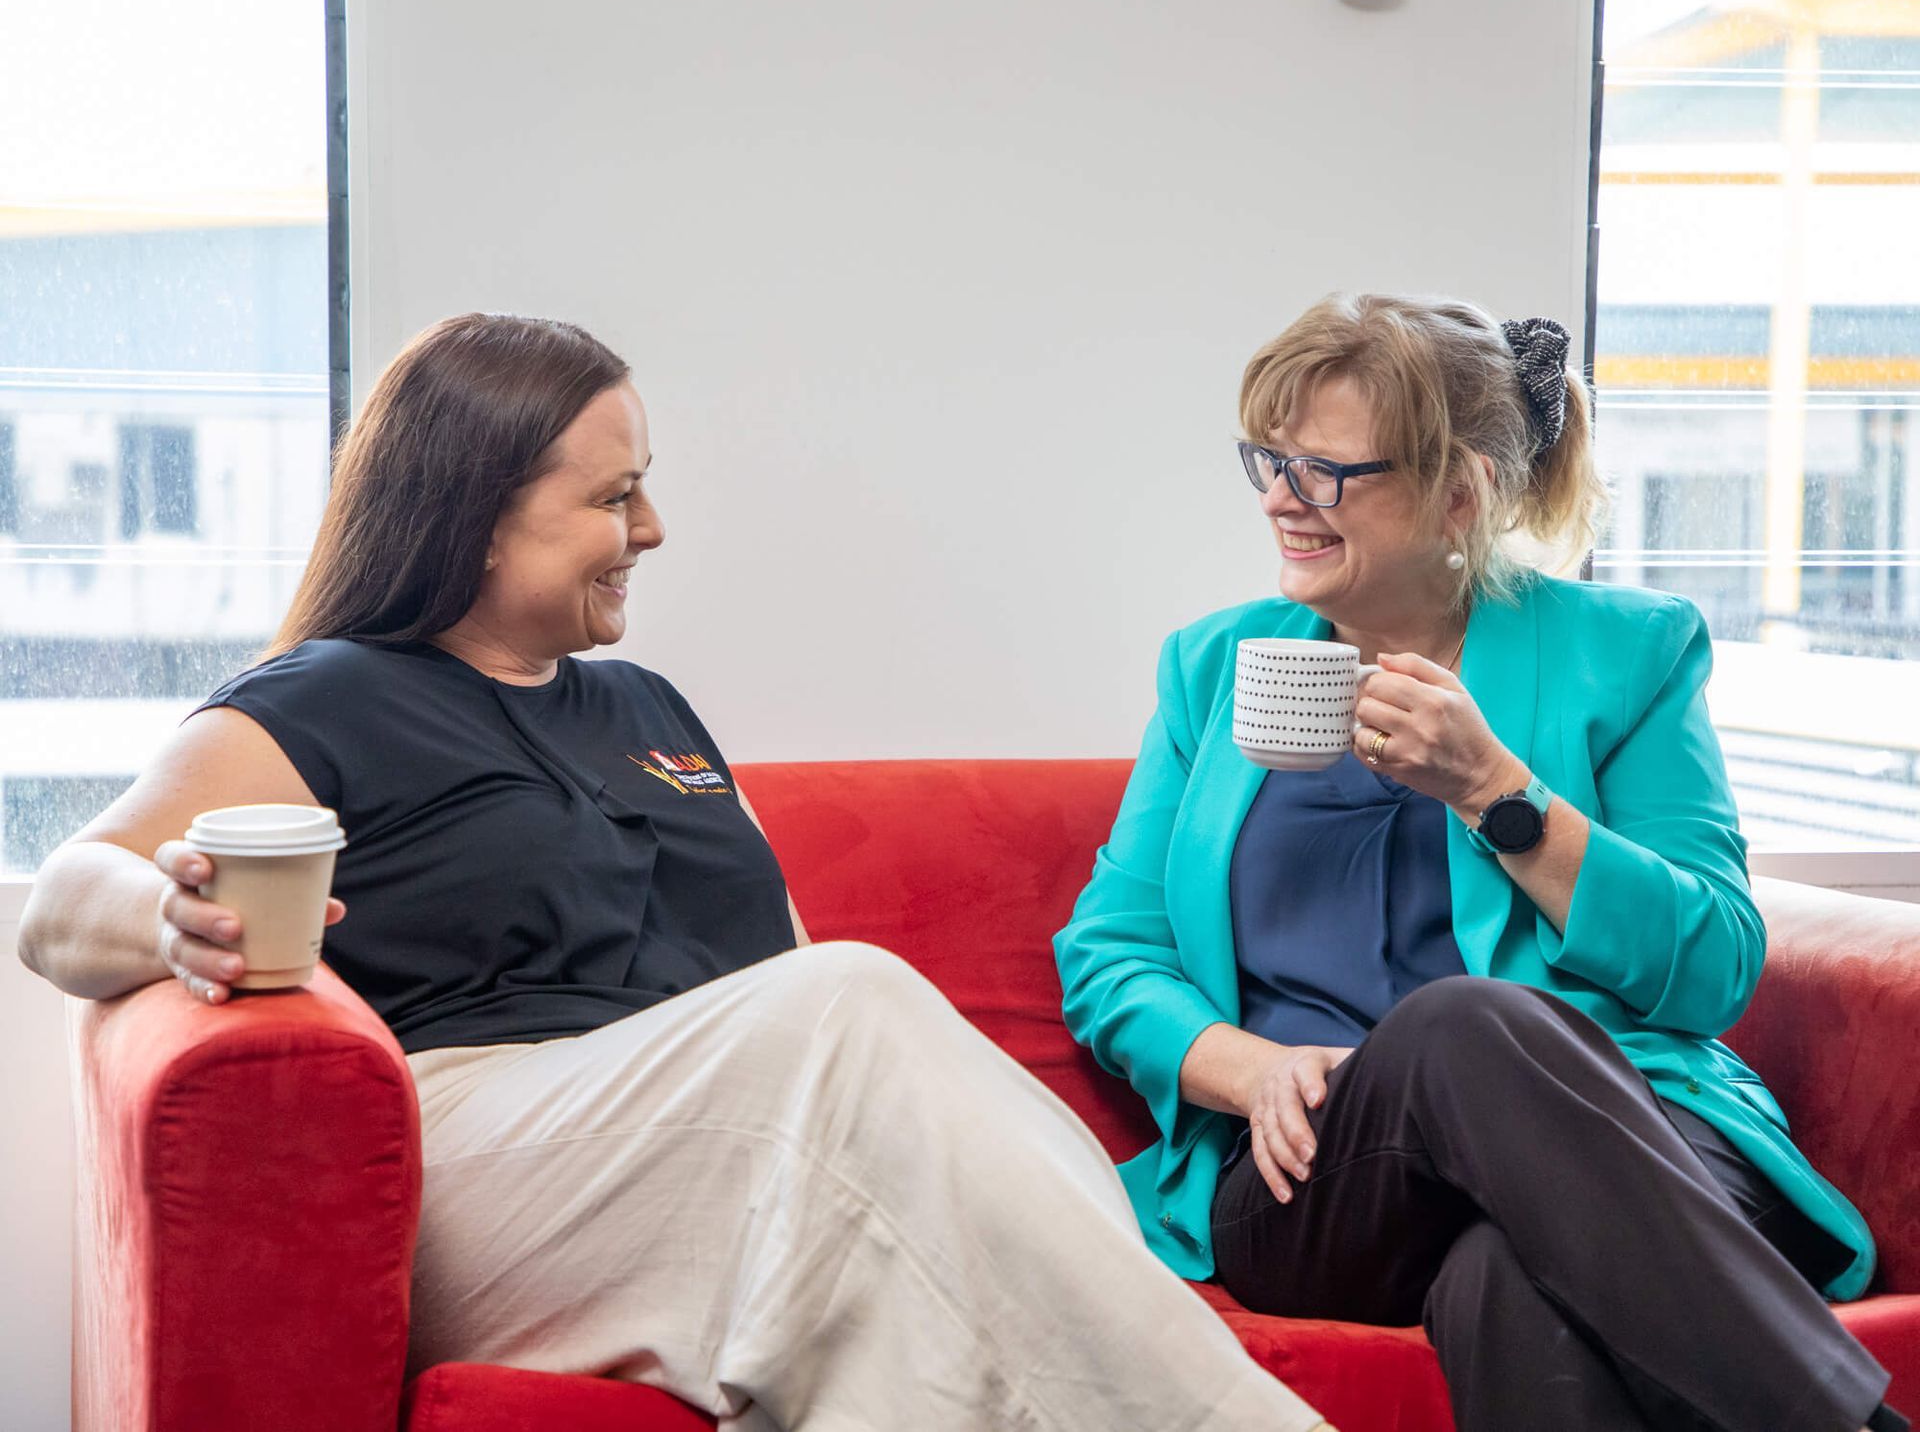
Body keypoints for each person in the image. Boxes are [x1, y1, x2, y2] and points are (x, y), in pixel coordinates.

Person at [19, 313, 1333, 1432]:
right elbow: (72, 902)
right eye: (610, 497)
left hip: (719, 1136)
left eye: (642, 484)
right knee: (853, 1006)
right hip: (492, 1159)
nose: (651, 526)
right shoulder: (329, 699)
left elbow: (781, 972)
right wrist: (173, 917)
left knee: (957, 1130)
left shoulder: (645, 705)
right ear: (475, 519)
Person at [1054, 293, 1908, 1432]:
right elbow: (1114, 955)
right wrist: (1247, 1069)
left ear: (1460, 492)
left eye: (1325, 471)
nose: (1278, 498)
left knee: (1505, 1279)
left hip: (1635, 1129)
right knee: (1459, 1028)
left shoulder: (1630, 653)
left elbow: (1713, 966)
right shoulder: (1213, 670)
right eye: (1269, 458)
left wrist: (1496, 792)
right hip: (1326, 1169)